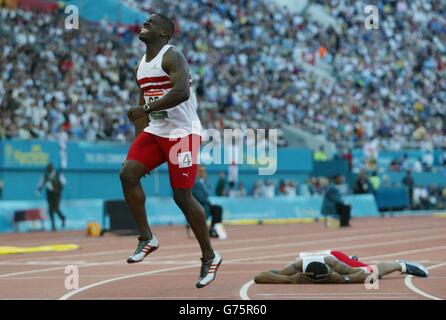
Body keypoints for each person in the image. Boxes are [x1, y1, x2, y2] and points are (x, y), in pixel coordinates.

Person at [120, 13, 221, 288]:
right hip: (157, 130)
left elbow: (181, 92)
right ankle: (146, 237)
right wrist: (137, 149)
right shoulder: (142, 64)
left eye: (152, 22)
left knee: (182, 197)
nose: (146, 23)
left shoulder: (172, 55)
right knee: (128, 173)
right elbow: (142, 108)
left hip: (183, 133)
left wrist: (146, 109)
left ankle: (210, 256)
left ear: (164, 33)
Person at [254, 249, 429, 284]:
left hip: (335, 256)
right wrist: (289, 280)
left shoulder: (335, 266)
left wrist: (344, 279)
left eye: (326, 279)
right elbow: (258, 277)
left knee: (369, 270)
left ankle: (401, 264)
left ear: (330, 273)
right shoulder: (297, 267)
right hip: (311, 261)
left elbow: (369, 275)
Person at [192, 166, 226, 239]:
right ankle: (202, 231)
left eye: (204, 171)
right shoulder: (194, 182)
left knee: (218, 209)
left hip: (206, 205)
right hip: (199, 205)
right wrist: (206, 202)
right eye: (201, 171)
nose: (203, 173)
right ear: (197, 172)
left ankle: (213, 229)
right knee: (206, 209)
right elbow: (198, 196)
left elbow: (209, 192)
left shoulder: (205, 182)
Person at [36, 163, 66, 231]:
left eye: (51, 171)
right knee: (50, 209)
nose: (50, 173)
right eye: (48, 171)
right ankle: (53, 225)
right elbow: (41, 183)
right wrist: (38, 190)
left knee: (56, 208)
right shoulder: (45, 175)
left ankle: (63, 218)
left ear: (53, 170)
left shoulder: (58, 174)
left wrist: (56, 189)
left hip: (57, 194)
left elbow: (63, 183)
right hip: (49, 195)